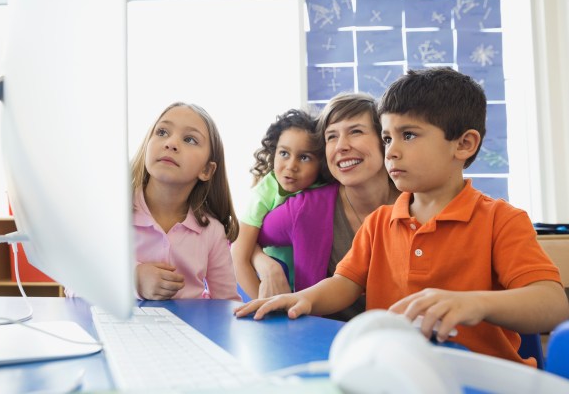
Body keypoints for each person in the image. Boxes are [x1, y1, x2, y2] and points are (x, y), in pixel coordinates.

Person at [234, 67, 569, 365]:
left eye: (408, 135)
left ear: (464, 144)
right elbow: (344, 284)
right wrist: (301, 299)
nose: (391, 150)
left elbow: (553, 304)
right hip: (399, 373)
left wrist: (476, 304)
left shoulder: (501, 220)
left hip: (481, 379)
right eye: (386, 137)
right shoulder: (380, 222)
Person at [247, 92, 399, 321]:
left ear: (383, 139)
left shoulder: (418, 201)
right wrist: (267, 267)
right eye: (331, 137)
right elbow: (241, 238)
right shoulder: (306, 208)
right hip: (326, 342)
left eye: (355, 131)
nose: (341, 146)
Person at [131, 101, 241, 301]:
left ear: (206, 170)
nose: (171, 143)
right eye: (162, 132)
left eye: (190, 139)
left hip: (191, 331)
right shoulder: (112, 213)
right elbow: (76, 287)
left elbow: (226, 304)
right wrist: (134, 279)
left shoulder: (212, 231)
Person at [232, 109, 329, 300]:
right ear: (273, 153)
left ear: (320, 163)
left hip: (312, 293)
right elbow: (239, 255)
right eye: (284, 153)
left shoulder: (325, 189)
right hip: (270, 288)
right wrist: (263, 303)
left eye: (304, 157)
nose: (291, 165)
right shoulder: (265, 192)